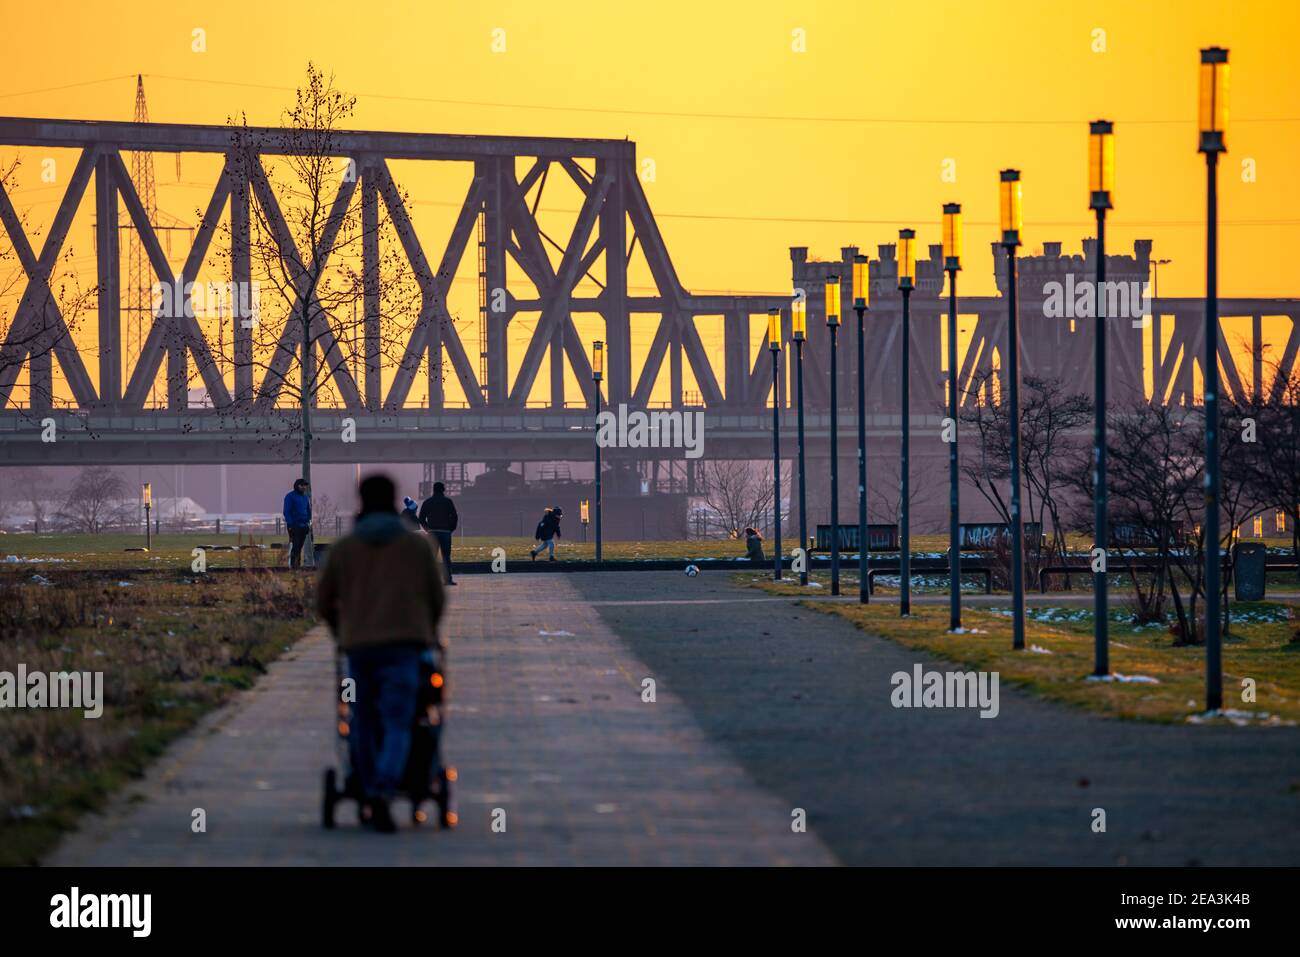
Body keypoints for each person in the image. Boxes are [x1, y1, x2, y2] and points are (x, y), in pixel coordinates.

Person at [316, 473, 447, 834]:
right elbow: (436, 598)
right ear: (393, 500)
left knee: (361, 719)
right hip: (406, 647)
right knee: (399, 719)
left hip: (359, 649)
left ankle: (367, 781)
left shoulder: (344, 549)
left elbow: (324, 600)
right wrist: (427, 630)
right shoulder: (418, 547)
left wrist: (340, 631)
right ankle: (385, 788)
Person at [418, 481, 459, 585]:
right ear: (443, 490)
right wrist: (451, 529)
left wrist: (427, 529)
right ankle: (447, 579)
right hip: (445, 532)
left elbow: (421, 518)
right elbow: (454, 516)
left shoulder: (427, 502)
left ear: (434, 489)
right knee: (446, 557)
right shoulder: (448, 501)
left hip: (432, 532)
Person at [283, 478, 312, 569]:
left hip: (304, 526)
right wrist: (290, 525)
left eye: (305, 486)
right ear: (297, 486)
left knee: (299, 547)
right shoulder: (290, 496)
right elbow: (287, 511)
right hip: (294, 526)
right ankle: (294, 566)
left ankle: (297, 566)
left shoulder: (305, 497)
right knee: (295, 547)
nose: (304, 487)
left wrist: (308, 522)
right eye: (302, 485)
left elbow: (308, 510)